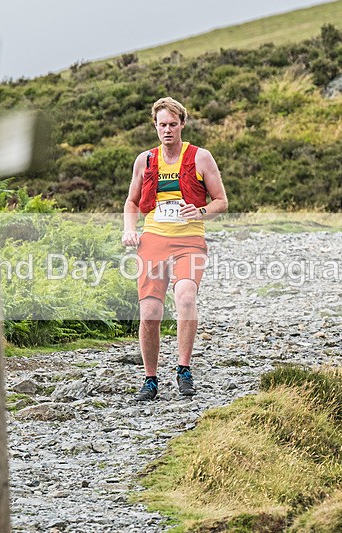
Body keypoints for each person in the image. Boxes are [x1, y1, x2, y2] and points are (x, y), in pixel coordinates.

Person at [122, 97, 228, 401]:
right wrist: (130, 230)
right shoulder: (145, 160)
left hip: (189, 240)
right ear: (155, 126)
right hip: (153, 239)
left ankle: (183, 370)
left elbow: (221, 200)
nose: (167, 130)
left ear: (182, 124)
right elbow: (131, 201)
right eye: (161, 125)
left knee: (185, 296)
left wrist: (202, 212)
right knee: (150, 312)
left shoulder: (200, 157)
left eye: (172, 124)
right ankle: (150, 379)